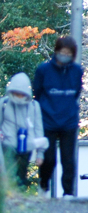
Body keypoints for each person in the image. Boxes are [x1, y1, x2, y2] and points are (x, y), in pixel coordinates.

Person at [32, 35, 84, 197]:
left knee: (68, 160)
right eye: (62, 52)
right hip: (47, 120)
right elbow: (37, 93)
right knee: (49, 159)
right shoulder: (43, 70)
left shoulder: (77, 71)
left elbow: (76, 93)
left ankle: (68, 192)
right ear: (56, 51)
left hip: (69, 121)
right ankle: (44, 185)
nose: (65, 55)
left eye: (68, 53)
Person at [0, 72, 47, 190]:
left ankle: (20, 198)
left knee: (21, 177)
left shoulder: (34, 106)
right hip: (7, 146)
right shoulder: (3, 103)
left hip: (26, 148)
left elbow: (39, 130)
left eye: (21, 93)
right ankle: (8, 198)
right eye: (16, 93)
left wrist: (40, 154)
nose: (18, 96)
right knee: (7, 175)